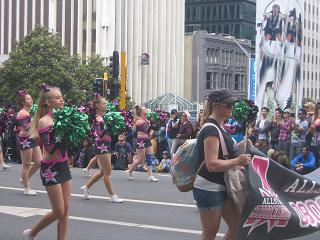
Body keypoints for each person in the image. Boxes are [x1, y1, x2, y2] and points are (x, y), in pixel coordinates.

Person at [194, 89, 251, 240]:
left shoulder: (219, 126)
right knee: (210, 233)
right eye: (228, 105)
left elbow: (223, 152)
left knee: (238, 227)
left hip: (222, 186)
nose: (231, 108)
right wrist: (238, 161)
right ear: (216, 105)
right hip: (209, 186)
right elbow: (211, 164)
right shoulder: (211, 129)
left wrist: (240, 147)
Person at [23, 85, 71, 240]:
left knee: (66, 210)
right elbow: (50, 148)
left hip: (63, 165)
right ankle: (31, 234)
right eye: (57, 97)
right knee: (58, 210)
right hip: (50, 168)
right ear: (48, 102)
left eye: (61, 96)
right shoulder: (45, 121)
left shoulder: (65, 118)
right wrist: (64, 133)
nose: (61, 99)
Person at [80, 94, 123, 202]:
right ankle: (112, 195)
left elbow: (110, 132)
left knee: (102, 172)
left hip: (106, 145)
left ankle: (85, 187)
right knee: (107, 172)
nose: (106, 105)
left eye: (106, 103)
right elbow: (98, 134)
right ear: (97, 106)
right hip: (101, 146)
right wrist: (108, 127)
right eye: (104, 103)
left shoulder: (105, 117)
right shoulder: (96, 119)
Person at [15, 90, 41, 195]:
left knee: (39, 162)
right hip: (25, 140)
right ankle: (26, 188)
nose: (31, 100)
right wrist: (38, 123)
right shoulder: (22, 113)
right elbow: (26, 128)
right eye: (28, 99)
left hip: (31, 139)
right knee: (26, 165)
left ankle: (24, 179)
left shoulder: (28, 112)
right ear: (23, 102)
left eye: (31, 98)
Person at [125, 105, 159, 182]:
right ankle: (130, 171)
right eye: (144, 109)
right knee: (140, 160)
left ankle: (150, 176)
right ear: (140, 112)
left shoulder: (147, 120)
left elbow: (155, 128)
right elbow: (146, 129)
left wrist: (156, 122)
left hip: (147, 140)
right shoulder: (138, 121)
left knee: (149, 157)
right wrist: (152, 124)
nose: (146, 110)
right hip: (141, 141)